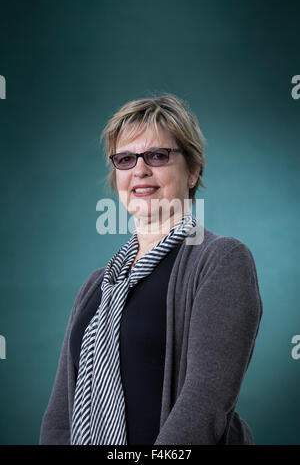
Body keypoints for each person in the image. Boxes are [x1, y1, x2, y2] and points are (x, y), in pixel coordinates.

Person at [39, 93, 263, 445]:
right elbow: (59, 416)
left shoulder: (221, 261)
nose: (140, 169)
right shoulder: (97, 285)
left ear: (193, 171)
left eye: (158, 155)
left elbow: (205, 402)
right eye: (125, 159)